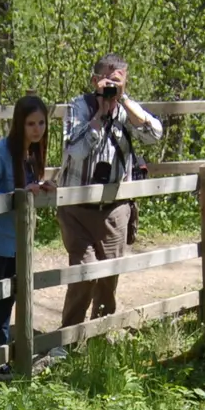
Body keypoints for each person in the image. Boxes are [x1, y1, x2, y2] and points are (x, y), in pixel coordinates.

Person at [57, 55, 163, 326]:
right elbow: (76, 151)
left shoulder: (127, 109)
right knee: (83, 274)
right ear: (94, 80)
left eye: (118, 81)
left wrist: (123, 102)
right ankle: (67, 340)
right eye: (107, 80)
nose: (111, 87)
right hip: (76, 208)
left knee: (108, 279)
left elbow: (154, 134)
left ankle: (99, 338)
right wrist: (98, 117)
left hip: (115, 210)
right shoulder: (79, 107)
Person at [0, 95, 55, 368]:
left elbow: (28, 186)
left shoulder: (34, 151)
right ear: (19, 123)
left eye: (41, 123)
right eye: (31, 123)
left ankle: (3, 348)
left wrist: (41, 188)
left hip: (19, 238)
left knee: (11, 295)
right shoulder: (0, 152)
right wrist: (16, 194)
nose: (37, 129)